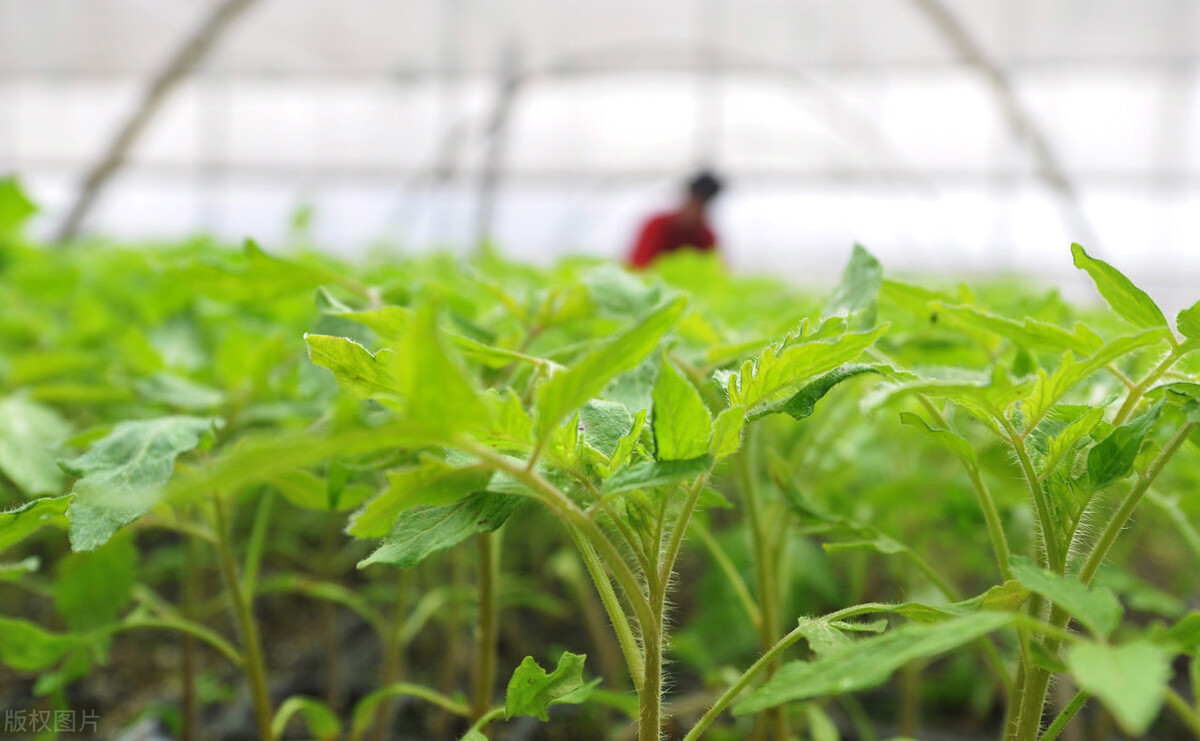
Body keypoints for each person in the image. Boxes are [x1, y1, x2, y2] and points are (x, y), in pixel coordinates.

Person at [627, 171, 722, 268]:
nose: (694, 212)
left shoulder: (706, 238)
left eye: (701, 206)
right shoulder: (658, 226)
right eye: (694, 203)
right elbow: (639, 266)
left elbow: (715, 270)